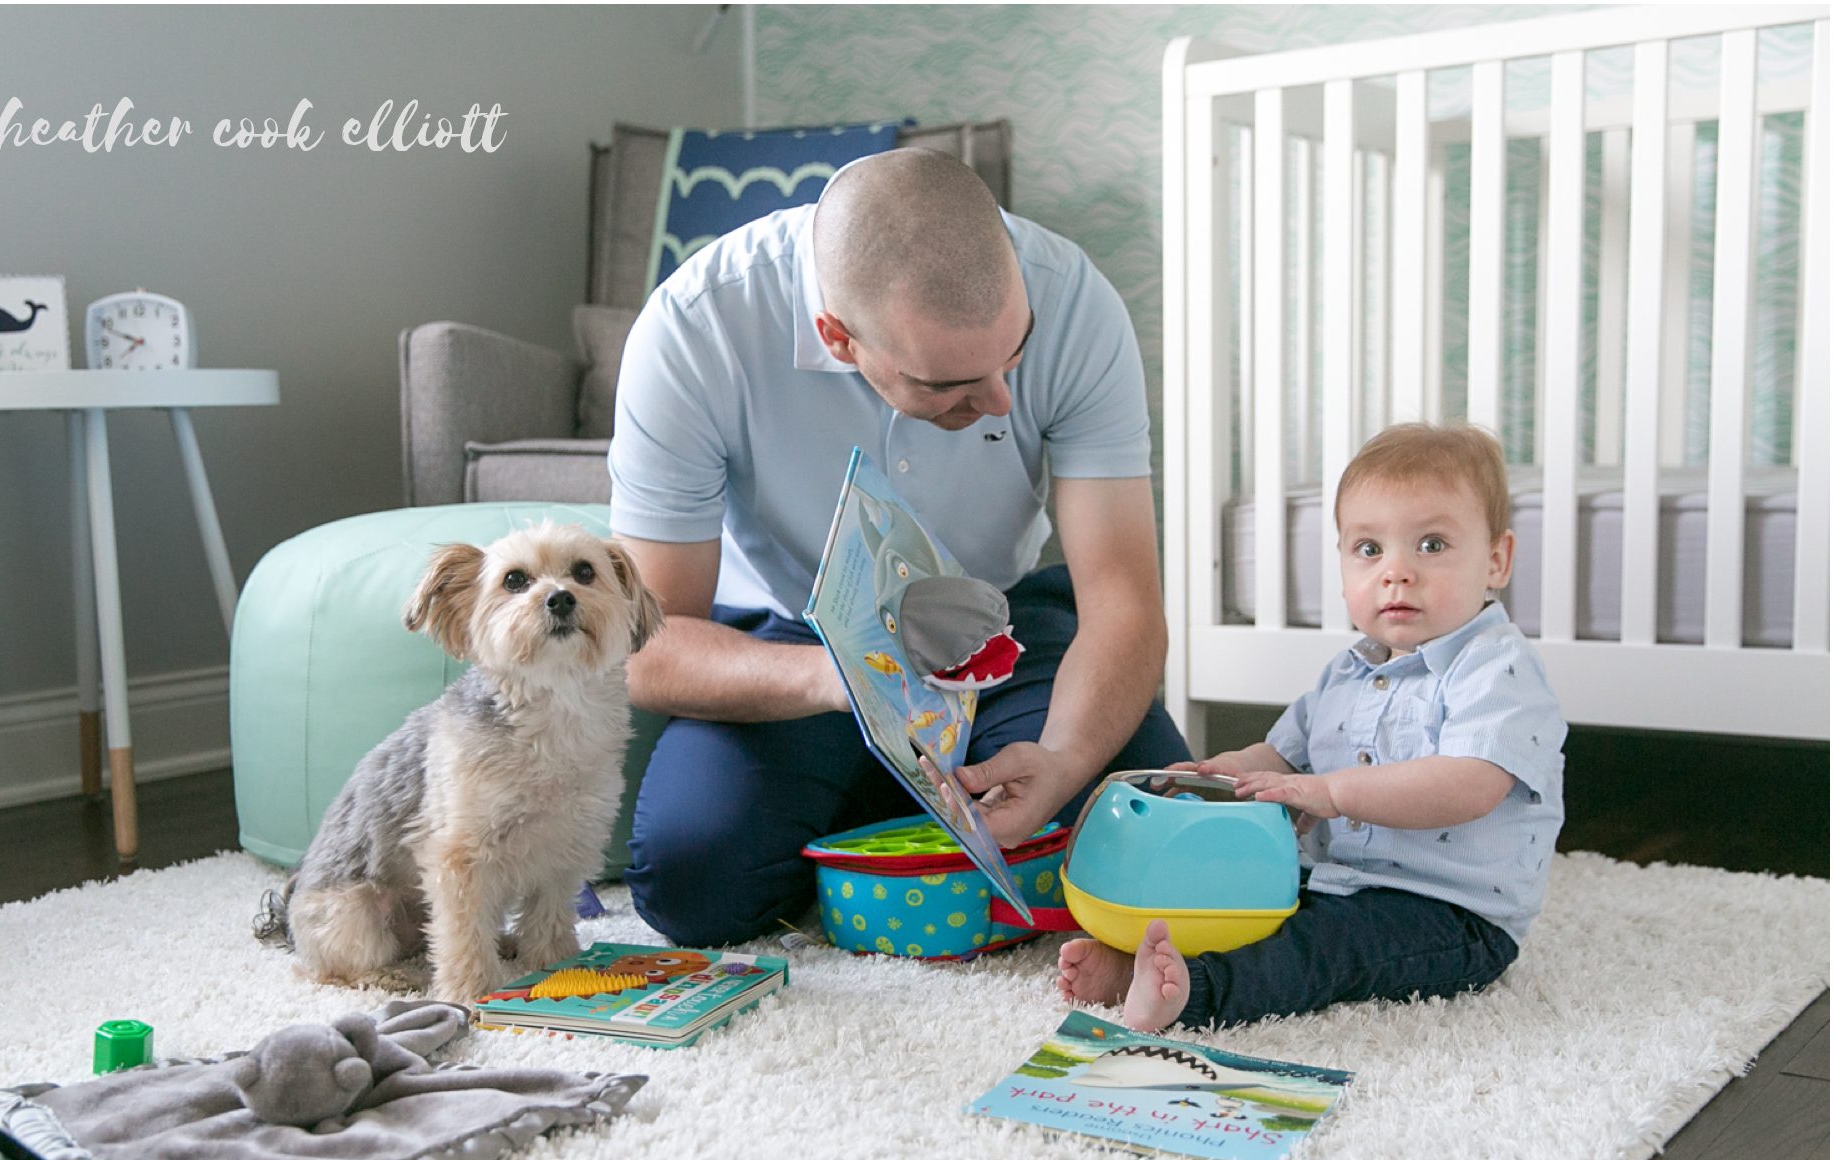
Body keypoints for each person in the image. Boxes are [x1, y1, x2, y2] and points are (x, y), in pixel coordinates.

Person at [608, 148, 1189, 946]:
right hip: (790, 639)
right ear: (838, 337)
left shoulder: (1075, 301)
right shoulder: (694, 330)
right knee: (692, 882)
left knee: (1151, 840)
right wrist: (845, 677)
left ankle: (897, 806)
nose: (998, 402)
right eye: (948, 386)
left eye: (1013, 355)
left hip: (1000, 623)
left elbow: (1125, 600)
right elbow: (645, 645)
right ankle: (892, 798)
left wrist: (1060, 758)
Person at [1059, 423, 1566, 1031]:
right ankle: (1133, 965)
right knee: (1238, 900)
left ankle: (1195, 995)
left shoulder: (1495, 668)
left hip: (1448, 912)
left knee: (1323, 952)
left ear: (1496, 559)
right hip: (1327, 879)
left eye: (1431, 545)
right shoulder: (1348, 671)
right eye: (1369, 549)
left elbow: (1469, 783)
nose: (1396, 572)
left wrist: (1331, 793)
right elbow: (1284, 756)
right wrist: (1231, 771)